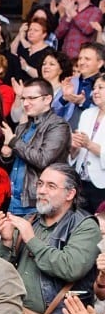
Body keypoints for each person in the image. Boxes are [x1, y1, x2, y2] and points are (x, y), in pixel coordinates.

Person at [0, 164, 99, 314]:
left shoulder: (85, 226)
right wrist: (5, 241)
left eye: (51, 186)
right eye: (40, 184)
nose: (41, 190)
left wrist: (30, 238)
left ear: (70, 193)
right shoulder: (31, 220)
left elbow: (70, 268)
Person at [0, 79, 70, 216]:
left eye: (31, 98)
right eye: (23, 98)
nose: (25, 103)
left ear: (47, 99)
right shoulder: (23, 127)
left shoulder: (58, 126)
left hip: (36, 203)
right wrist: (6, 156)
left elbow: (43, 160)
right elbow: (14, 164)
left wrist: (14, 142)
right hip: (12, 201)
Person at [69, 74, 105, 212]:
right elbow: (76, 152)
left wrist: (89, 145)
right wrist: (73, 147)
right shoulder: (87, 114)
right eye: (94, 87)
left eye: (100, 87)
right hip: (80, 181)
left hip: (101, 184)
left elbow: (88, 145)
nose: (94, 91)